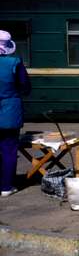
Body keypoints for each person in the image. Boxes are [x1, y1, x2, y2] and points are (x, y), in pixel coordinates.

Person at [0, 31, 31, 197]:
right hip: (9, 112)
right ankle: (6, 186)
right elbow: (25, 87)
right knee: (9, 149)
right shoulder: (14, 62)